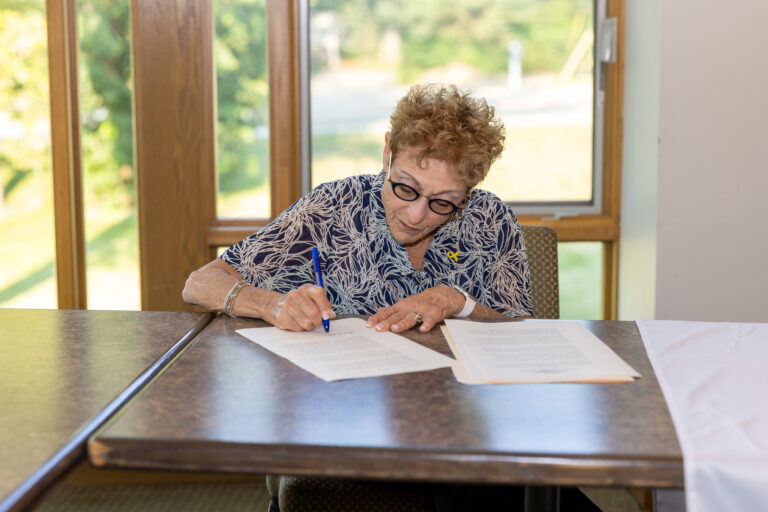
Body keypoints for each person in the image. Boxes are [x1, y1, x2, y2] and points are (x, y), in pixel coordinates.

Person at [183, 83, 533, 330]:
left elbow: (524, 330)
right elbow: (200, 284)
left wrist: (463, 304)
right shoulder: (333, 207)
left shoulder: (490, 219)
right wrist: (270, 304)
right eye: (406, 188)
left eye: (444, 202)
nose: (416, 215)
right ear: (387, 153)